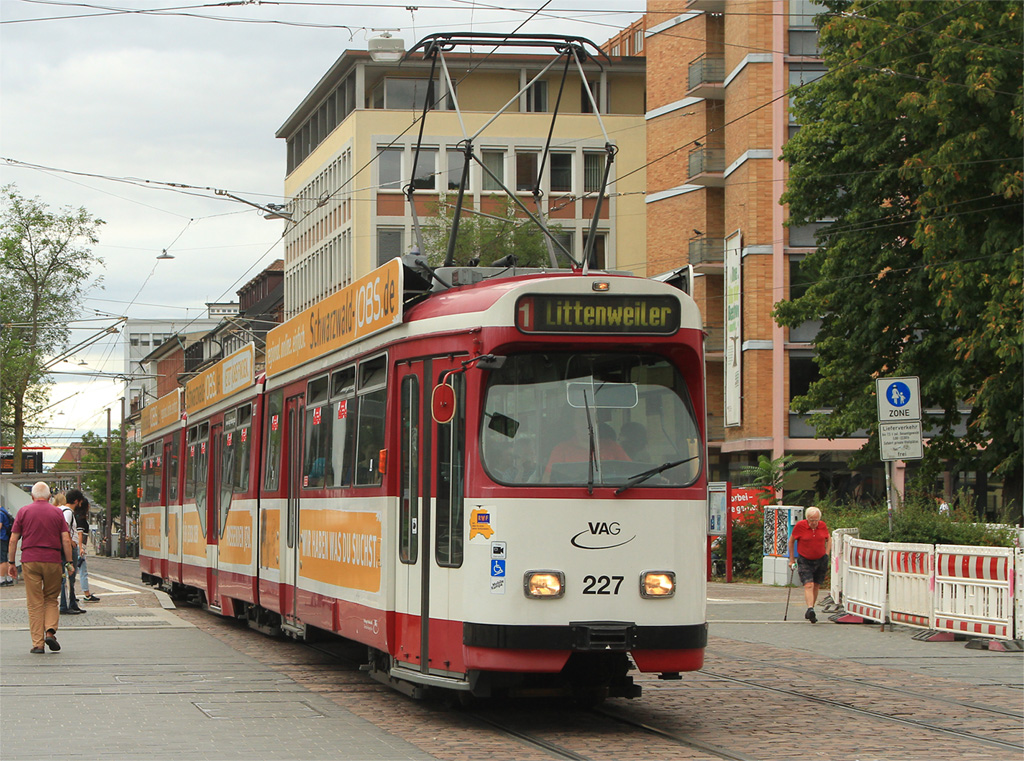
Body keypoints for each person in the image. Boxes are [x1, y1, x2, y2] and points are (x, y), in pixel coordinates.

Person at [8, 482, 74, 653]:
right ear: (49, 497)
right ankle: (50, 632)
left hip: (30, 560)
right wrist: (69, 562)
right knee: (51, 598)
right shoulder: (57, 513)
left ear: (32, 496)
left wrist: (10, 563)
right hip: (53, 560)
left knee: (35, 602)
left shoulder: (23, 511)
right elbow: (66, 539)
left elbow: (13, 539)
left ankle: (38, 644)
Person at [544, 414, 629, 481]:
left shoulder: (612, 447)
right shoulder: (561, 449)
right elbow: (547, 480)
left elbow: (631, 474)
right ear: (574, 424)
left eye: (591, 418)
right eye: (581, 418)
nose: (587, 422)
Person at [787, 506, 832, 624]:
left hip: (820, 559)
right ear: (807, 519)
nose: (814, 523)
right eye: (811, 520)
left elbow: (828, 538)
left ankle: (811, 608)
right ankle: (810, 609)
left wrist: (827, 553)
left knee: (816, 585)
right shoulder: (800, 526)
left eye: (816, 520)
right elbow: (791, 541)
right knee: (809, 584)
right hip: (805, 559)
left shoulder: (822, 525)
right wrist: (791, 559)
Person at [58, 490, 86, 615]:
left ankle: (72, 603)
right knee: (70, 576)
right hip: (68, 548)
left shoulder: (59, 509)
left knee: (67, 577)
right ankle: (66, 605)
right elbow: (64, 527)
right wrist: (70, 541)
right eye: (80, 501)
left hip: (61, 547)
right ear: (76, 501)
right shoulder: (68, 512)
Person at [75, 497, 100, 602]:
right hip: (79, 548)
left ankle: (72, 594)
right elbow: (80, 534)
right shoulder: (81, 519)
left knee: (73, 571)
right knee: (82, 571)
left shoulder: (76, 517)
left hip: (78, 547)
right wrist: (81, 548)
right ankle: (87, 594)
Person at [1, 502, 15, 585]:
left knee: (2, 560)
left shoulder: (0, 513)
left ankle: (2, 579)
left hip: (1, 538)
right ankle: (9, 578)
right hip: (5, 538)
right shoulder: (4, 511)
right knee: (5, 558)